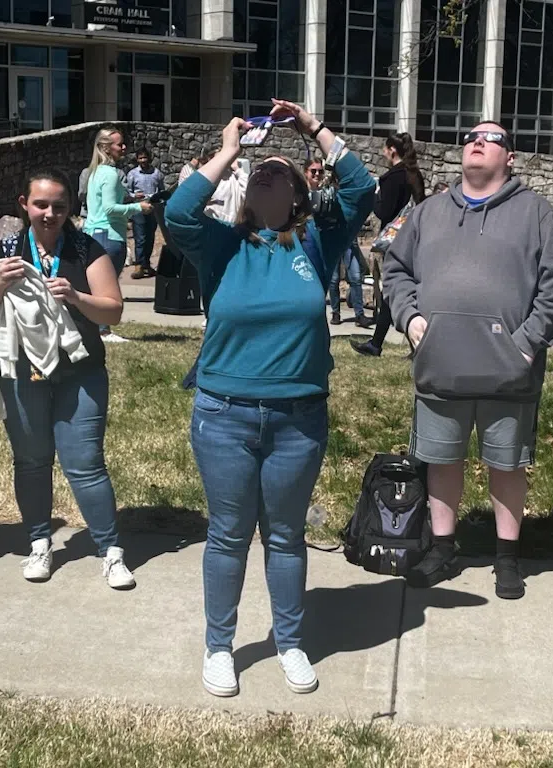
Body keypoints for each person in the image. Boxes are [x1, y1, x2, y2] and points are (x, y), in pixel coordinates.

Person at [164, 100, 376, 698]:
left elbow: (361, 188)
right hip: (224, 416)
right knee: (229, 533)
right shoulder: (220, 248)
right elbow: (178, 212)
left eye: (281, 172)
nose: (270, 177)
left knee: (285, 536)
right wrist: (228, 150)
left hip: (298, 418)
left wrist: (311, 128)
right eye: (261, 173)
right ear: (246, 188)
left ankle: (289, 641)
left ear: (300, 192)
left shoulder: (317, 244)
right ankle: (219, 646)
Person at [382, 121, 553, 597]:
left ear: (510, 158)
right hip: (439, 366)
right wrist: (410, 321)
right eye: (471, 135)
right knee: (441, 460)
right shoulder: (428, 212)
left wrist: (526, 342)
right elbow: (395, 268)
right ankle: (444, 548)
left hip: (509, 372)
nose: (477, 141)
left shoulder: (536, 214)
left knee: (506, 465)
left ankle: (506, 557)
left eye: (492, 138)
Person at [0, 169, 134, 588]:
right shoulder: (6, 248)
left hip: (79, 373)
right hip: (22, 371)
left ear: (71, 209)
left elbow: (113, 310)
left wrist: (75, 296)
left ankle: (110, 550)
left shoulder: (88, 249)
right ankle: (38, 543)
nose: (50, 214)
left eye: (60, 206)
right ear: (24, 205)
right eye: (41, 205)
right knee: (31, 462)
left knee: (85, 464)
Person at [352, 132, 426, 357]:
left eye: (385, 149)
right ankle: (388, 343)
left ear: (392, 150)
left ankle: (377, 344)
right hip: (414, 238)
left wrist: (374, 195)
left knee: (392, 289)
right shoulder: (414, 174)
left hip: (396, 241)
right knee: (402, 289)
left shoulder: (393, 178)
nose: (383, 153)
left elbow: (383, 211)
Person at [82, 127, 151, 341]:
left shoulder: (95, 172)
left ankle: (96, 328)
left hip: (94, 232)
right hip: (109, 235)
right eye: (119, 144)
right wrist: (138, 207)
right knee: (107, 287)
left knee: (94, 285)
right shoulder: (110, 174)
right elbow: (110, 208)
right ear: (106, 147)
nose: (123, 148)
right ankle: (103, 330)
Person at [306, 159, 370, 328]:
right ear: (306, 172)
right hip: (326, 240)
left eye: (320, 171)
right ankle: (335, 312)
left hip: (344, 236)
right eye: (313, 171)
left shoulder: (332, 189)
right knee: (333, 279)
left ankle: (359, 314)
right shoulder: (303, 194)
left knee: (355, 277)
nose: (317, 175)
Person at [126, 147, 164, 279]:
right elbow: (127, 192)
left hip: (152, 209)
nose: (143, 160)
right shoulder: (132, 174)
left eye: (145, 157)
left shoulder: (157, 173)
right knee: (140, 238)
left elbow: (161, 190)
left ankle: (146, 264)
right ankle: (139, 266)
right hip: (139, 208)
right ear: (137, 159)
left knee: (150, 237)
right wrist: (135, 195)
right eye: (140, 158)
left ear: (149, 158)